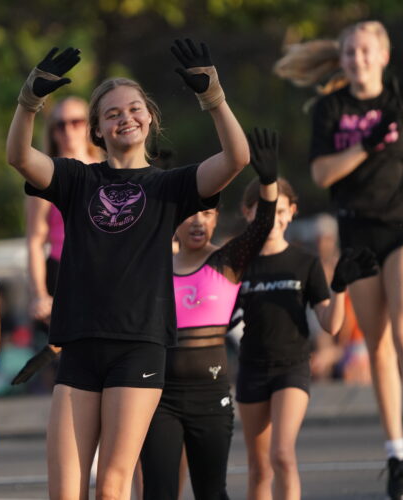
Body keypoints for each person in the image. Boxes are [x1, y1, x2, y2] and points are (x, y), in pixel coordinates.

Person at [6, 39, 250, 499]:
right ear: (98, 129)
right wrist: (29, 100)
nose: (126, 117)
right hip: (79, 345)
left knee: (112, 487)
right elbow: (19, 157)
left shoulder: (170, 186)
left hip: (138, 347)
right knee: (64, 492)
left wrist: (213, 97)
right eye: (113, 113)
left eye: (135, 109)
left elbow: (237, 159)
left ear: (151, 118)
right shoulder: (77, 179)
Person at [274, 19, 403, 499]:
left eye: (365, 50)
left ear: (383, 55)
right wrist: (367, 143)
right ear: (342, 59)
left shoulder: (401, 96)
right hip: (357, 235)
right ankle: (396, 452)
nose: (357, 58)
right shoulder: (331, 108)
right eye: (350, 52)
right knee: (376, 343)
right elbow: (322, 173)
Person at [139, 129, 279, 500]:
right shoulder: (155, 263)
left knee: (211, 492)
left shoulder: (227, 260)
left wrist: (268, 182)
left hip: (211, 396)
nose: (198, 222)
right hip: (159, 396)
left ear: (216, 218)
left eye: (207, 213)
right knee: (158, 493)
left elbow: (262, 226)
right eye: (189, 214)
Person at [236, 176, 377, 500]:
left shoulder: (305, 263)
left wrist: (339, 287)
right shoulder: (238, 262)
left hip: (291, 368)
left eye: (279, 210)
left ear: (291, 212)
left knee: (282, 455)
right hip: (252, 369)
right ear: (247, 212)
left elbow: (331, 324)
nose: (271, 219)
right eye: (263, 210)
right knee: (259, 468)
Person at [19, 97, 103, 388]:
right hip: (63, 271)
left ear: (90, 126)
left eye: (76, 122)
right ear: (52, 131)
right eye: (60, 125)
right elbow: (34, 240)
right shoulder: (46, 175)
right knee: (71, 366)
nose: (68, 130)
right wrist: (39, 294)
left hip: (105, 273)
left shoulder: (108, 168)